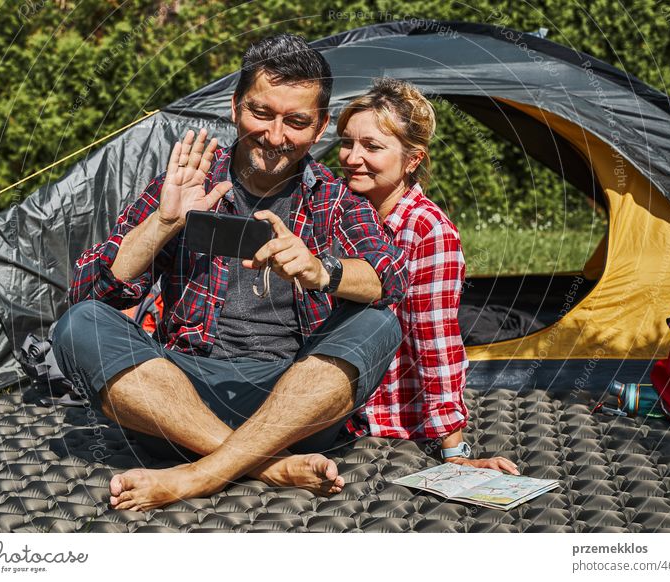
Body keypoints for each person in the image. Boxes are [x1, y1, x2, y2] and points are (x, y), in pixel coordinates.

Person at [52, 35, 408, 511]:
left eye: (297, 121)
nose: (276, 136)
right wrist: (163, 223)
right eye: (261, 113)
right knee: (80, 324)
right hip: (178, 398)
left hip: (294, 400)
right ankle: (268, 466)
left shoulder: (334, 197)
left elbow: (390, 278)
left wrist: (321, 270)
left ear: (321, 126)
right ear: (236, 106)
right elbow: (92, 290)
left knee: (380, 323)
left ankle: (199, 473)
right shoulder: (189, 180)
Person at [336, 78, 519, 475]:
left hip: (390, 418)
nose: (351, 157)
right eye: (347, 142)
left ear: (413, 160)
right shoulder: (339, 206)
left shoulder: (427, 230)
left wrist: (454, 448)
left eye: (372, 147)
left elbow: (434, 339)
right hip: (336, 407)